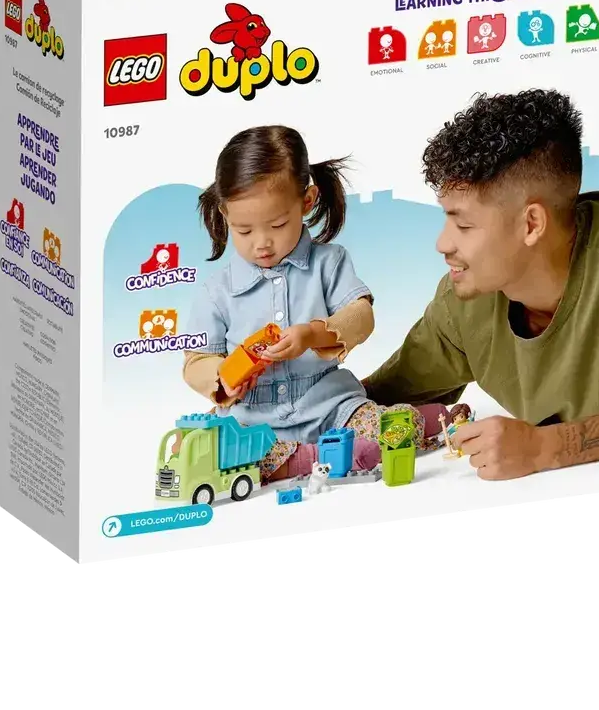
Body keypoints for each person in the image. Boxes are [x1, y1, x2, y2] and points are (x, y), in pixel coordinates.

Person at [364, 90, 599, 480]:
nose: (443, 244)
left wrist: (546, 448)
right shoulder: (465, 299)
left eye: (464, 224)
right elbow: (372, 402)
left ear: (531, 224)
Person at [183, 125, 455, 481]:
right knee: (213, 453)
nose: (261, 243)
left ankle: (430, 421)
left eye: (278, 225)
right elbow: (196, 361)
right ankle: (321, 456)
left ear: (307, 201)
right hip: (254, 420)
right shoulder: (216, 291)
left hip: (330, 406)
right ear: (224, 214)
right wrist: (222, 380)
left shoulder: (329, 262)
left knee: (384, 425)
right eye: (244, 231)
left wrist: (313, 334)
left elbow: (361, 315)